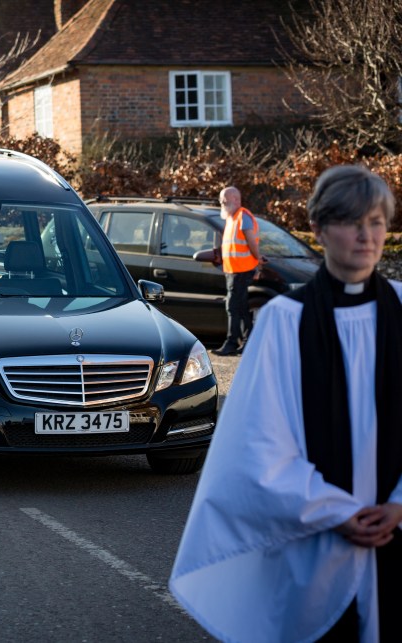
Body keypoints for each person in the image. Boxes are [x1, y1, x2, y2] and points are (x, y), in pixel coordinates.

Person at [170, 165, 402, 642]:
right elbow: (256, 445)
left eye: (376, 222)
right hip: (314, 543)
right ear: (317, 228)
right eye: (350, 222)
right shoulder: (284, 321)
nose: (365, 236)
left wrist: (398, 505)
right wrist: (336, 511)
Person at [211, 186, 263, 356]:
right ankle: (248, 342)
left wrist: (258, 259)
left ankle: (232, 342)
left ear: (235, 199)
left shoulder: (242, 216)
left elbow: (251, 242)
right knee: (239, 307)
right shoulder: (232, 218)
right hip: (234, 270)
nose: (221, 203)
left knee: (233, 307)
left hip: (242, 270)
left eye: (224, 200)